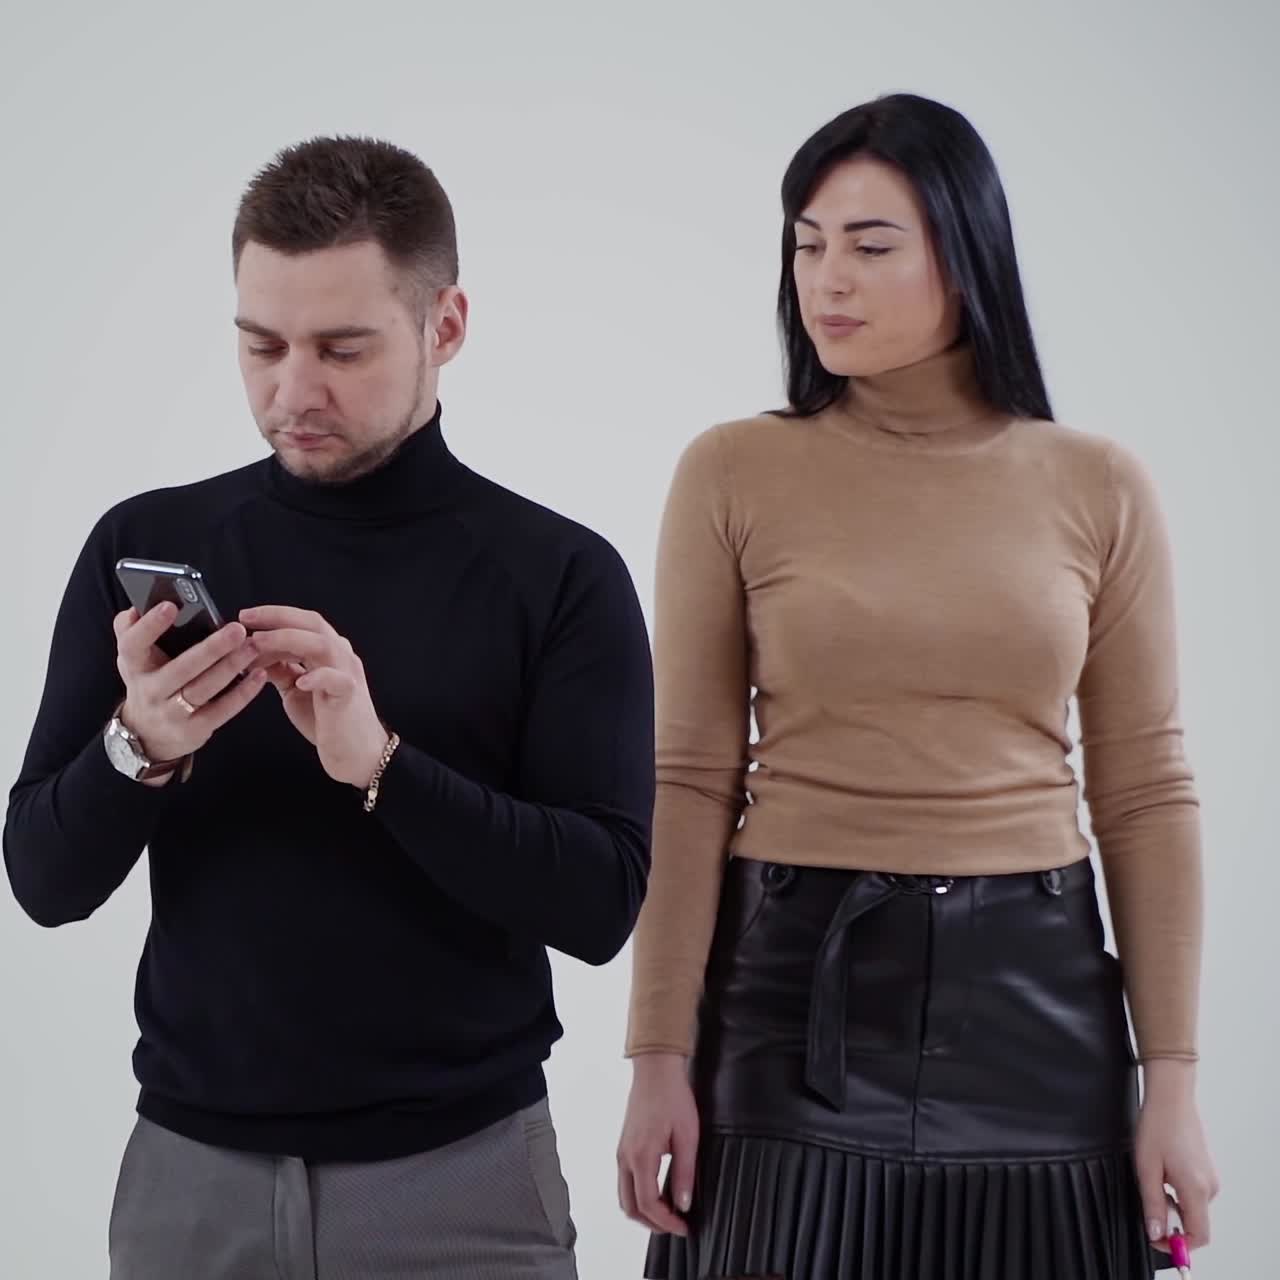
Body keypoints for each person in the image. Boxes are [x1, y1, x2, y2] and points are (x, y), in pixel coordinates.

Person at [4, 135, 655, 1280]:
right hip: (188, 1182)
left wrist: (381, 765)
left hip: (464, 1183)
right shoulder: (144, 544)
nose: (291, 391)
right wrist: (140, 745)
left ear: (444, 326)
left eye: (341, 349)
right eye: (261, 344)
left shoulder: (557, 572)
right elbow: (44, 881)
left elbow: (600, 902)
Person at [617, 93, 1218, 1280]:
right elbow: (687, 778)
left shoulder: (1094, 483)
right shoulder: (734, 469)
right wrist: (654, 1058)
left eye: (869, 245)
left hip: (1036, 1004)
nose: (825, 278)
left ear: (964, 250)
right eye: (806, 243)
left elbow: (1143, 789)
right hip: (791, 990)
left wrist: (1173, 1082)